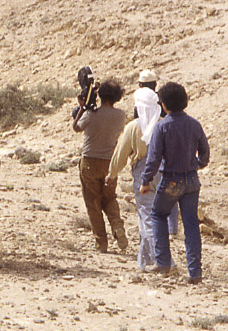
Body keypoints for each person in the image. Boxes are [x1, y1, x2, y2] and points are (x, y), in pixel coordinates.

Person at [141, 82, 210, 284]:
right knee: (191, 225)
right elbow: (205, 152)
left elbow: (153, 159)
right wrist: (197, 164)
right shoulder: (194, 124)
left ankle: (163, 261)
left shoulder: (162, 126)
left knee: (158, 214)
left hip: (171, 180)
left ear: (164, 105)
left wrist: (145, 181)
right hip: (191, 179)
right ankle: (195, 272)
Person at [106, 87, 167, 271]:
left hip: (143, 173)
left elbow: (121, 153)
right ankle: (145, 261)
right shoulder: (164, 124)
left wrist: (112, 173)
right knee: (156, 217)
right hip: (164, 172)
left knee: (147, 216)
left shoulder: (133, 127)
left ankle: (161, 261)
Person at [72, 79, 128, 253]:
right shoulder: (121, 115)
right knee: (110, 198)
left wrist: (82, 107)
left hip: (89, 161)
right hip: (110, 163)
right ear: (118, 97)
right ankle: (117, 225)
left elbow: (76, 127)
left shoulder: (90, 114)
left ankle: (101, 243)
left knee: (93, 203)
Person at [139, 68, 180, 236]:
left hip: (147, 150)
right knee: (170, 192)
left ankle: (152, 229)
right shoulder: (162, 101)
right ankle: (172, 229)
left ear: (140, 85)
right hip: (168, 151)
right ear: (155, 85)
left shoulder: (140, 101)